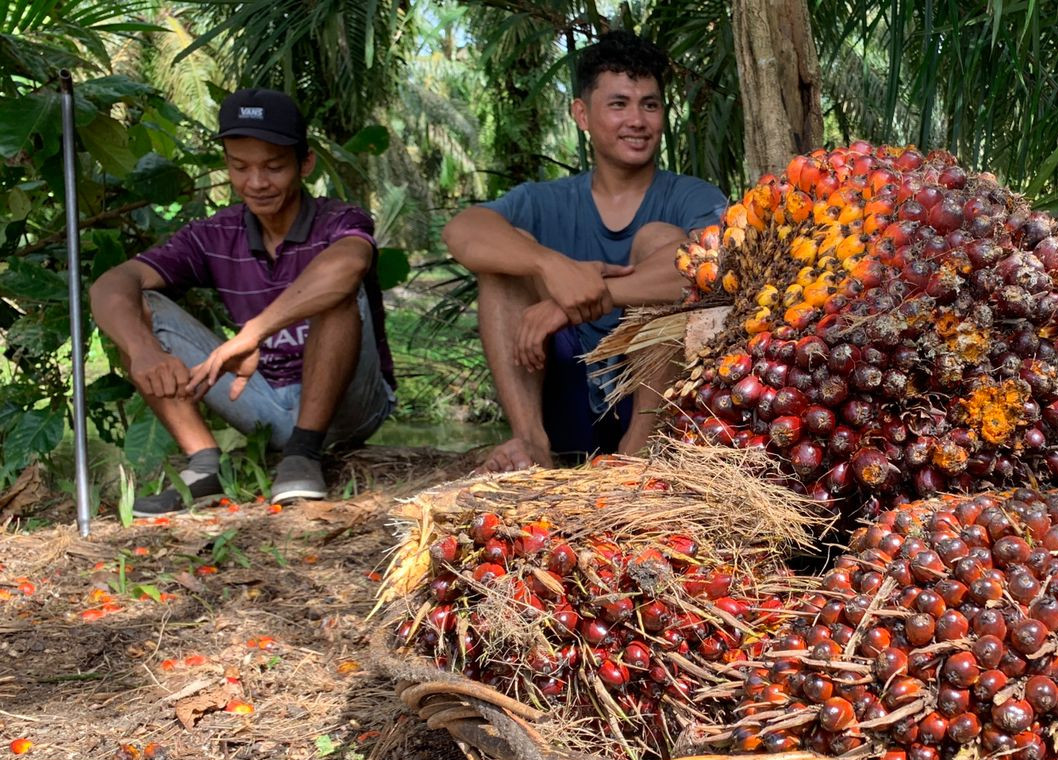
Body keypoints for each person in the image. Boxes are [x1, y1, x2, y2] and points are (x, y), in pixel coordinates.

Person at [89, 88, 396, 516]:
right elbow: (111, 284)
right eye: (240, 167)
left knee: (337, 290)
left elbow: (348, 264)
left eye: (273, 167)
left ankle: (304, 452)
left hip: (351, 405)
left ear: (304, 163)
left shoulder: (340, 220)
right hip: (263, 403)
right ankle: (203, 465)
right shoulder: (214, 234)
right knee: (132, 307)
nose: (256, 183)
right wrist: (142, 352)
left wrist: (253, 332)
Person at [443, 29, 726, 472]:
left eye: (649, 105)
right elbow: (463, 231)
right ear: (582, 114)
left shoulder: (692, 196)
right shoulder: (543, 200)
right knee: (503, 263)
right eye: (618, 104)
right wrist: (548, 264)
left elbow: (711, 272)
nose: (637, 120)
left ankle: (636, 462)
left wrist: (583, 299)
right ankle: (532, 445)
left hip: (653, 406)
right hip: (565, 395)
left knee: (663, 241)